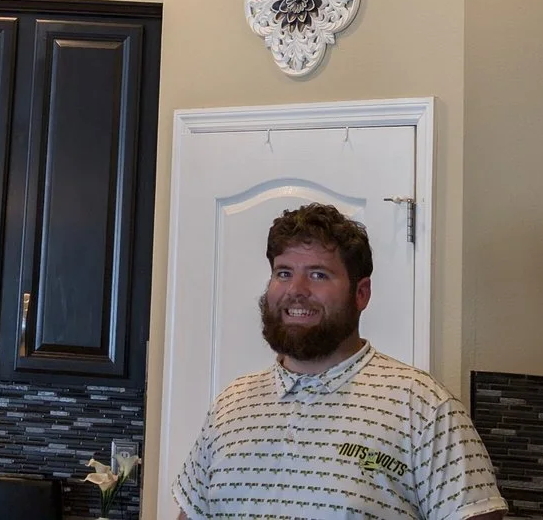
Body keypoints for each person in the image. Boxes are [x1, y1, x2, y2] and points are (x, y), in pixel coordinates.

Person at [173, 203, 507, 519]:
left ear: (361, 294)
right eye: (284, 272)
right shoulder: (231, 407)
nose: (296, 290)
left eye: (318, 275)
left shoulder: (423, 407)